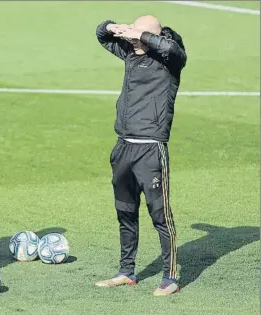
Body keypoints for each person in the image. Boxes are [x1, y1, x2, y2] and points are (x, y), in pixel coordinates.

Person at [94, 15, 187, 296]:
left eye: (139, 36)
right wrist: (115, 28)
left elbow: (172, 49)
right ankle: (126, 271)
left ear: (154, 36)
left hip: (151, 148)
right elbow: (101, 34)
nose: (132, 41)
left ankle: (170, 277)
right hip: (123, 147)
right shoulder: (130, 53)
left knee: (161, 216)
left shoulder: (170, 60)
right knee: (125, 211)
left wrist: (140, 35)